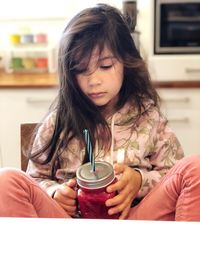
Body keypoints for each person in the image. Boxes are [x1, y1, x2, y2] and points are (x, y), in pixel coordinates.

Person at [0, 4, 200, 220]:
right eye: (80, 70)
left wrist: (139, 181)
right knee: (6, 180)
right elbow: (34, 180)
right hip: (69, 229)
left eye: (105, 66)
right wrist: (54, 192)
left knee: (195, 168)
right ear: (69, 73)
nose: (93, 81)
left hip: (136, 223)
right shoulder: (56, 123)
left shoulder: (149, 118)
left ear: (126, 62)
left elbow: (173, 175)